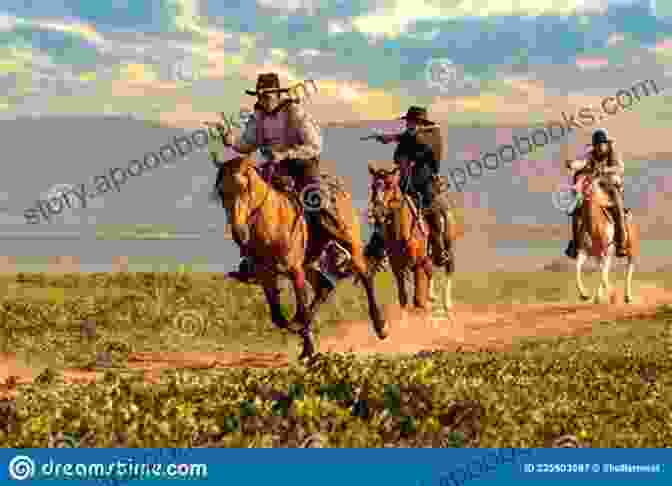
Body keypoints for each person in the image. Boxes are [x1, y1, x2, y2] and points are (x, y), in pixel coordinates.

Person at [218, 73, 326, 283]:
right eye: (259, 95)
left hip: (303, 163)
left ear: (277, 94)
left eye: (266, 95)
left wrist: (285, 154)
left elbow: (315, 145)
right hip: (276, 166)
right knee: (251, 201)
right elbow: (248, 144)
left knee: (316, 200)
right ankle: (252, 260)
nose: (262, 99)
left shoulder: (294, 112)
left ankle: (330, 249)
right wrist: (231, 141)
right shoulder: (258, 116)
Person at [365, 106, 450, 265]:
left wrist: (412, 157)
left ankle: (439, 248)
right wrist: (401, 158)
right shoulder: (408, 136)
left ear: (421, 123)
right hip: (404, 179)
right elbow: (397, 154)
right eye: (409, 121)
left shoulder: (431, 136)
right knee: (384, 206)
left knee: (431, 207)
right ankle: (377, 247)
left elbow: (427, 153)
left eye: (414, 121)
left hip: (424, 179)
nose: (410, 124)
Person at [565, 128, 627, 258]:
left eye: (601, 144)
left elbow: (620, 168)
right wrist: (572, 164)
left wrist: (606, 169)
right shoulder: (590, 154)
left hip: (609, 185)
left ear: (606, 144)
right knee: (576, 212)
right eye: (597, 145)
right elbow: (582, 163)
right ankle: (575, 245)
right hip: (594, 185)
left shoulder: (613, 154)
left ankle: (621, 244)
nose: (599, 147)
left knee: (618, 207)